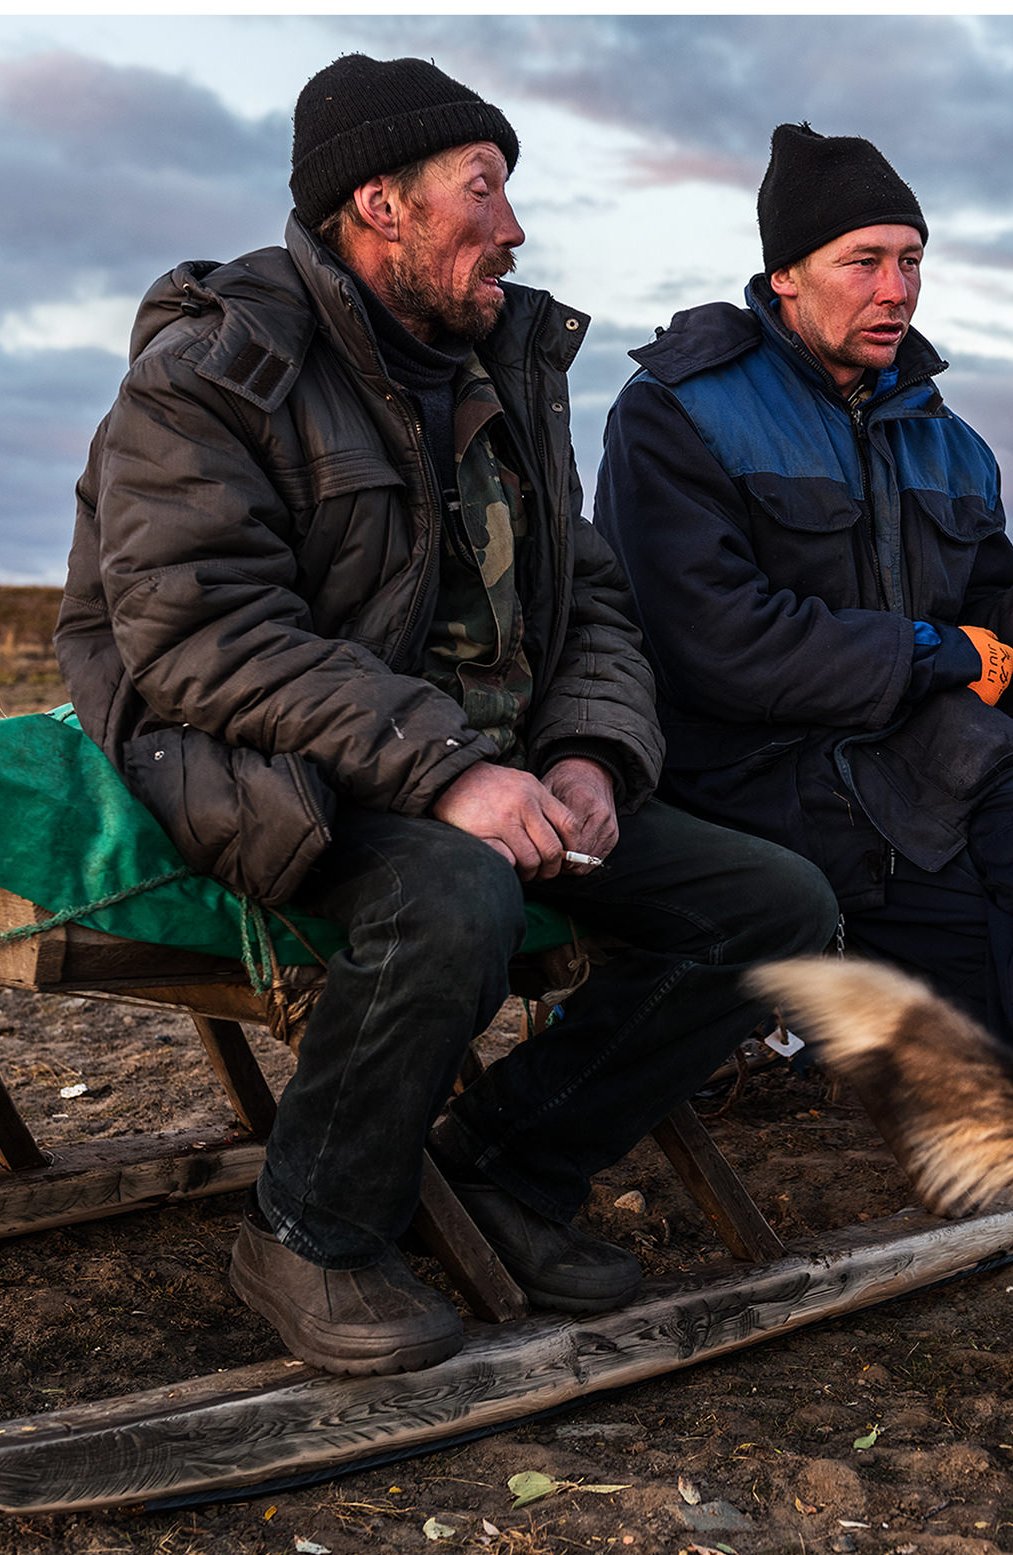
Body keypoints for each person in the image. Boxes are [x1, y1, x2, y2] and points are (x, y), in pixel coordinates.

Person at [55, 58, 838, 1377]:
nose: (516, 228)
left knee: (774, 905)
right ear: (381, 202)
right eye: (485, 189)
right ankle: (308, 1228)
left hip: (481, 761)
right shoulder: (213, 371)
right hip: (265, 756)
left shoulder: (508, 364)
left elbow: (586, 596)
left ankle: (499, 1175)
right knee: (456, 891)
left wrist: (589, 751)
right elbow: (200, 635)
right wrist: (450, 773)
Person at [592, 123, 1013, 1378]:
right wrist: (948, 656)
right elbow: (719, 646)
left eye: (912, 259)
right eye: (865, 259)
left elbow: (994, 636)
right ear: (786, 278)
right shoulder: (676, 416)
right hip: (751, 784)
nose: (896, 288)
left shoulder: (944, 436)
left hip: (920, 769)